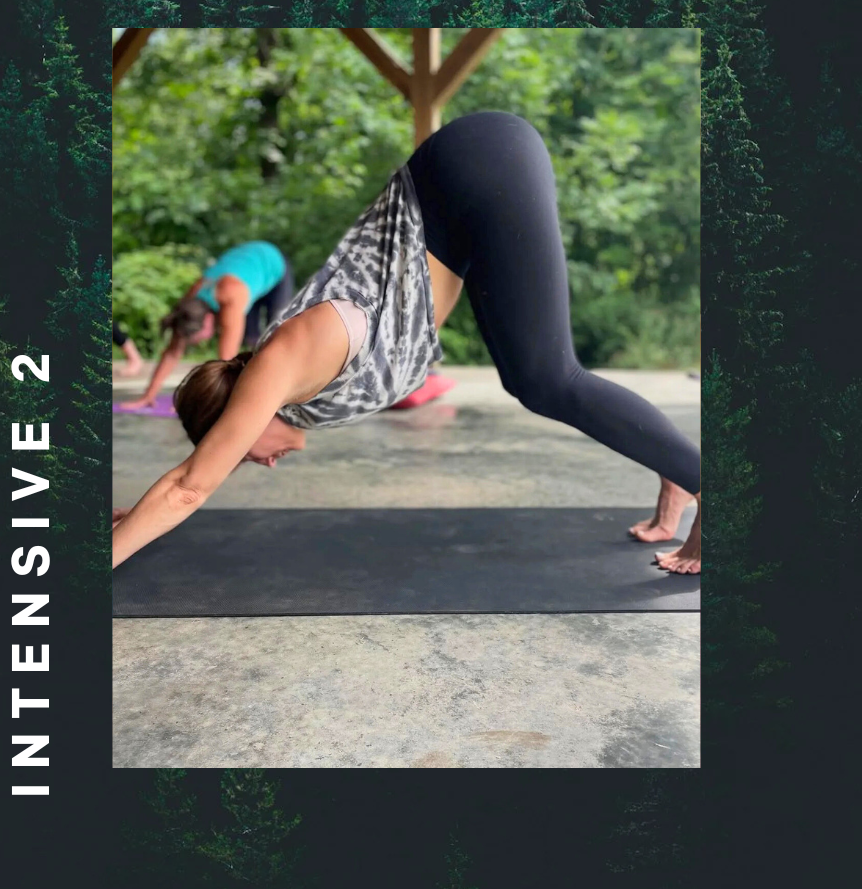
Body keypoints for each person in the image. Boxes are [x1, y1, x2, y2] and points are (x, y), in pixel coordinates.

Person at [113, 113, 701, 573]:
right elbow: (188, 479)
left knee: (550, 378)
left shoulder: (282, 361)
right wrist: (133, 520)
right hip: (464, 205)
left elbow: (190, 486)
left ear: (238, 412)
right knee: (528, 381)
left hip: (477, 165)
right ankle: (672, 469)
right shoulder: (297, 394)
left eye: (244, 452)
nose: (263, 461)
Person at [118, 240, 294, 410]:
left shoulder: (231, 300)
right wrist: (148, 395)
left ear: (209, 319)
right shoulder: (190, 304)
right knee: (252, 340)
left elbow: (226, 362)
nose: (198, 343)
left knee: (276, 339)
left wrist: (212, 406)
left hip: (273, 264)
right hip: (247, 267)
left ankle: (285, 395)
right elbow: (172, 352)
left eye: (197, 337)